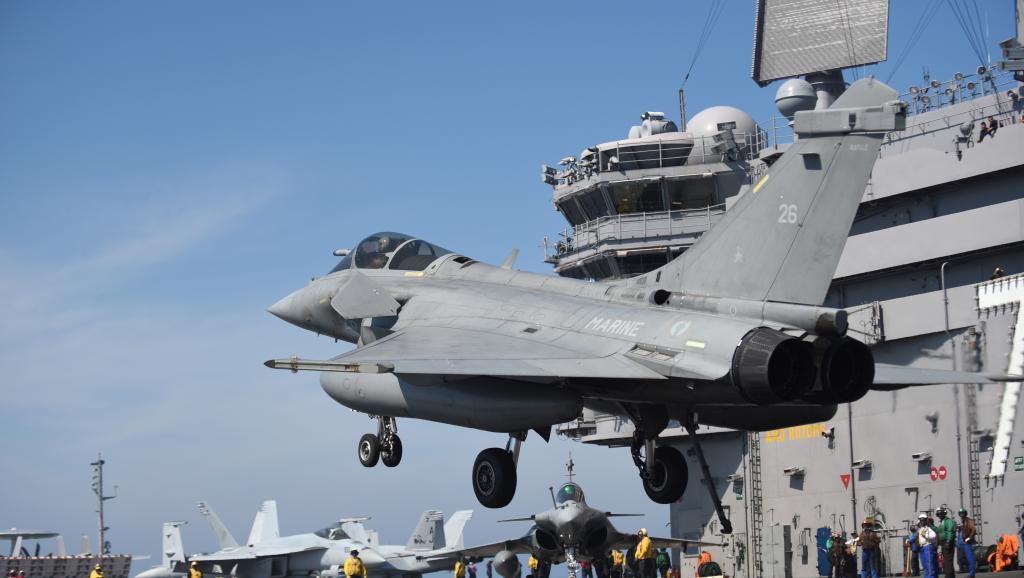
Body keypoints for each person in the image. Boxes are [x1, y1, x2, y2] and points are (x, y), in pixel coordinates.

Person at [935, 508, 956, 578]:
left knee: (948, 560)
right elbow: (939, 531)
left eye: (941, 514)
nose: (939, 515)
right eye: (938, 514)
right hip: (943, 543)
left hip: (947, 542)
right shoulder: (942, 522)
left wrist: (948, 541)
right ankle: (950, 575)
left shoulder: (948, 521)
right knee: (946, 560)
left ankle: (949, 576)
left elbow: (950, 531)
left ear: (944, 513)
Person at [957, 508, 976, 578]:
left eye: (962, 513)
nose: (961, 515)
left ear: (965, 513)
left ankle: (972, 574)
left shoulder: (968, 520)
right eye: (960, 513)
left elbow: (973, 530)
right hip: (962, 543)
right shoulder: (963, 522)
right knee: (962, 558)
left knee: (970, 558)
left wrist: (968, 539)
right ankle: (964, 569)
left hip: (967, 543)